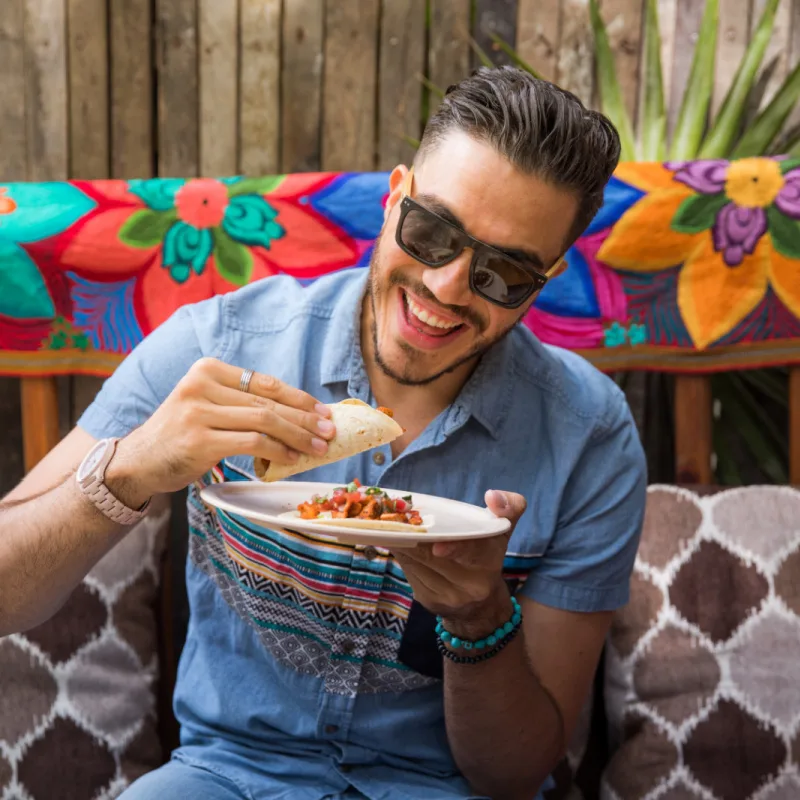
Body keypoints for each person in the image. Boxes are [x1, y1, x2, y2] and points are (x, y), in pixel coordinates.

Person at [0, 67, 646, 800]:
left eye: (502, 274)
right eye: (432, 232)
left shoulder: (591, 434)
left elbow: (513, 774)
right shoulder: (218, 347)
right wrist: (130, 470)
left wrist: (478, 619)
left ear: (548, 277)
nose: (446, 289)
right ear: (394, 196)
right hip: (222, 778)